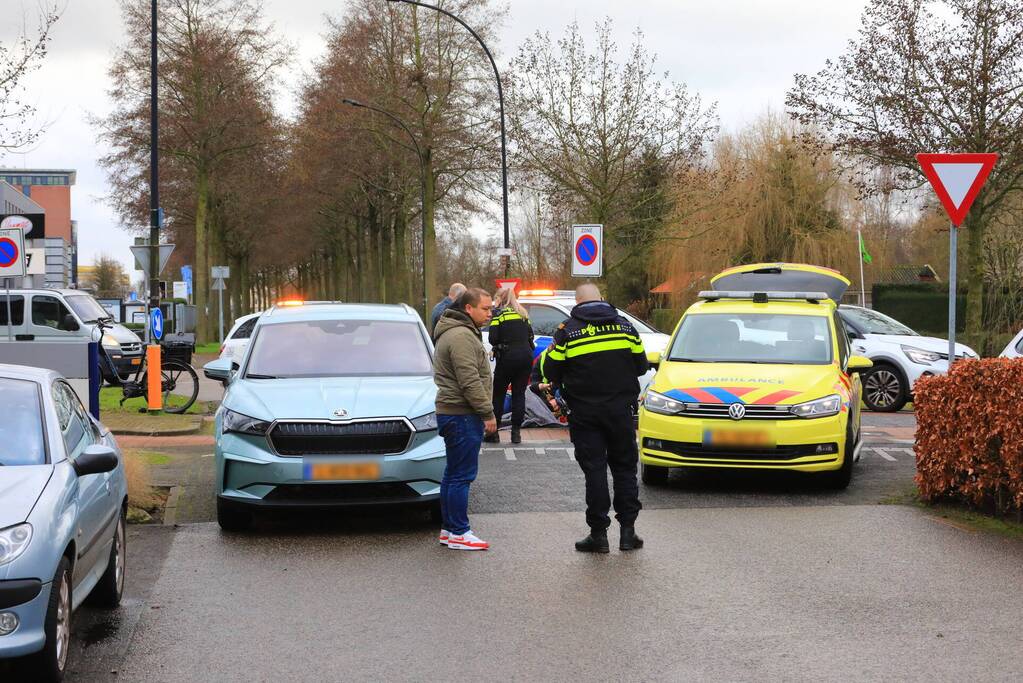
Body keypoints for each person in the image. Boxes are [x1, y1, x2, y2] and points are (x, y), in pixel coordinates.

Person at [543, 283, 649, 553]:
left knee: (595, 471)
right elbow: (640, 366)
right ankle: (628, 533)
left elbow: (551, 370)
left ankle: (598, 535)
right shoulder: (626, 327)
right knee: (625, 469)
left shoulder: (567, 331)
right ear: (602, 298)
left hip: (585, 413)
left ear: (577, 303)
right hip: (621, 411)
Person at [432, 287, 497, 551]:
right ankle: (459, 531)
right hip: (461, 414)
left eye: (491, 308)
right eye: (485, 308)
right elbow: (469, 380)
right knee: (462, 476)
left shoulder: (459, 332)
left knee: (453, 473)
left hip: (454, 412)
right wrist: (488, 413)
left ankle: (449, 529)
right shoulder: (461, 336)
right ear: (468, 308)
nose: (490, 313)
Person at [486, 287, 534, 445]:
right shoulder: (523, 314)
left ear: (501, 298)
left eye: (496, 298)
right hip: (525, 357)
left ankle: (494, 434)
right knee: (519, 394)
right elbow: (530, 336)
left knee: (498, 394)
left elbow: (493, 338)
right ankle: (516, 434)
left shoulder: (499, 315)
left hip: (507, 358)